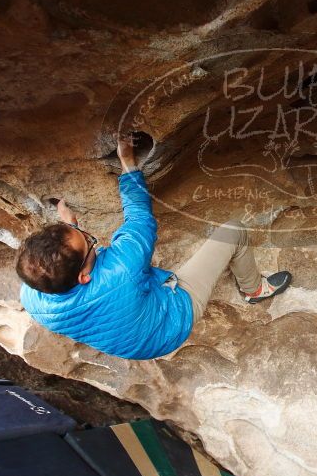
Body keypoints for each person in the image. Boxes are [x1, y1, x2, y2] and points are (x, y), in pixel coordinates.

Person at [15, 135, 291, 360]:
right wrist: (128, 163)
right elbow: (138, 217)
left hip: (128, 346)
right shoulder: (122, 267)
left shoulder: (33, 295)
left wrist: (69, 229)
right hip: (171, 324)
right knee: (234, 231)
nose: (86, 235)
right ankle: (254, 289)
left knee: (125, 282)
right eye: (88, 241)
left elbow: (54, 262)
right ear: (83, 277)